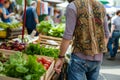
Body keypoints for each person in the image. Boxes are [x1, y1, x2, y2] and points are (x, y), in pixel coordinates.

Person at [54, 0, 109, 80]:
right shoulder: (101, 6)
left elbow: (68, 36)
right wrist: (98, 52)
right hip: (97, 59)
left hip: (79, 58)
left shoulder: (73, 6)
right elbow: (107, 34)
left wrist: (61, 57)